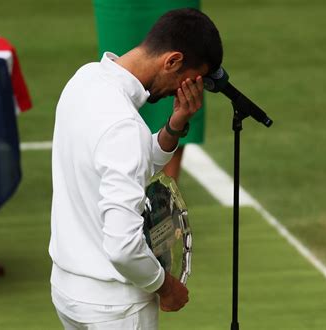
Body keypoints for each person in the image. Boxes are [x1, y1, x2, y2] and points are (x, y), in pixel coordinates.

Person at [49, 8, 223, 329]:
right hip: (116, 308)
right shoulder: (125, 126)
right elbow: (124, 248)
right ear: (171, 60)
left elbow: (125, 160)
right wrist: (167, 288)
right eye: (187, 79)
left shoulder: (84, 79)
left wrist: (173, 126)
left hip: (67, 289)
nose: (180, 90)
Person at [94, 0, 205, 182]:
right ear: (172, 61)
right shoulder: (118, 113)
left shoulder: (88, 79)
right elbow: (120, 207)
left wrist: (174, 126)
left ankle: (165, 204)